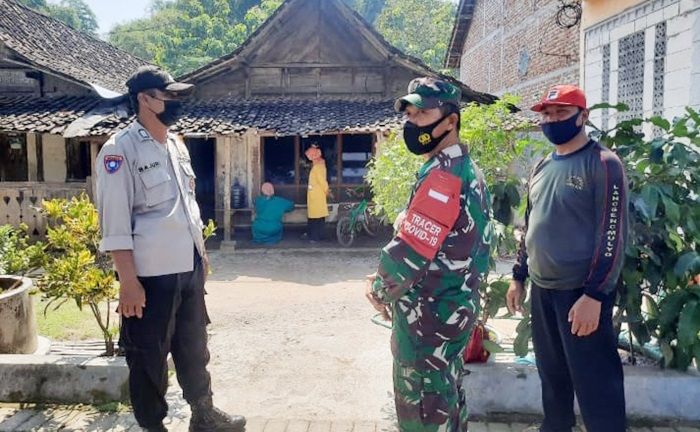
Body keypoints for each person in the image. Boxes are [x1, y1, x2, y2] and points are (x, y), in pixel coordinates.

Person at [95, 65, 245, 432]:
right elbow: (115, 224)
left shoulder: (176, 145)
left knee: (194, 346)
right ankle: (152, 426)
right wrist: (127, 281)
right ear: (145, 99)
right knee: (148, 356)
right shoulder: (119, 150)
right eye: (169, 96)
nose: (177, 102)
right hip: (149, 277)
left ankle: (204, 413)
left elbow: (187, 206)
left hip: (188, 267)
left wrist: (202, 253)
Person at [365, 77, 492, 431]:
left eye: (422, 113)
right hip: (452, 311)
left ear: (451, 120)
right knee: (446, 399)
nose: (413, 122)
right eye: (409, 114)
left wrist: (378, 289)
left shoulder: (443, 176)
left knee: (423, 410)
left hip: (428, 321)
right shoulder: (468, 170)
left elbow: (409, 251)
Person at [506, 84, 629, 432]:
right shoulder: (542, 164)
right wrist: (518, 275)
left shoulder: (604, 164)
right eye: (547, 114)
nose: (552, 120)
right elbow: (531, 224)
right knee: (553, 379)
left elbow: (612, 235)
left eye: (561, 113)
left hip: (581, 295)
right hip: (543, 292)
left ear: (583, 116)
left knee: (597, 385)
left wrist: (595, 295)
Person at [304, 144, 329, 242]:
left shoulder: (318, 167)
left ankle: (315, 237)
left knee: (315, 217)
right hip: (317, 194)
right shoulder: (319, 166)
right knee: (318, 217)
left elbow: (322, 181)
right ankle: (317, 236)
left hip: (317, 195)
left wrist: (327, 190)